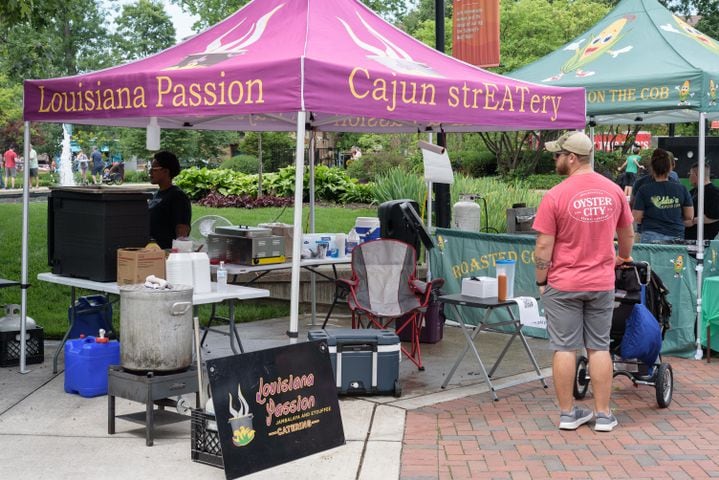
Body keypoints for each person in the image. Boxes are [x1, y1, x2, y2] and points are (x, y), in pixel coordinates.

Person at [533, 131, 634, 432]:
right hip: (601, 282)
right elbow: (627, 233)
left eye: (558, 155)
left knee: (564, 347)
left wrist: (541, 279)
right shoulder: (614, 190)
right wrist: (624, 258)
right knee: (599, 347)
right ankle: (603, 414)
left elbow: (543, 246)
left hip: (563, 282)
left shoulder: (556, 195)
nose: (555, 160)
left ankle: (568, 414)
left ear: (572, 158)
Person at [633, 148, 693, 243]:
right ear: (670, 168)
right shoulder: (682, 189)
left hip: (650, 235)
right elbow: (689, 216)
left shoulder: (643, 189)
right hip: (676, 235)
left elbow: (637, 217)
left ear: (652, 167)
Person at [148, 151, 191, 250]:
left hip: (166, 253)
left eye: (154, 169)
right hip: (152, 251)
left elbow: (182, 231)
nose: (150, 172)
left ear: (166, 171)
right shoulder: (156, 194)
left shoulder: (177, 196)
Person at [685, 163, 719, 241]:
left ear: (698, 175)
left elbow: (715, 215)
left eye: (690, 174)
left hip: (705, 242)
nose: (689, 178)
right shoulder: (692, 192)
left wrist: (693, 221)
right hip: (688, 239)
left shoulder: (715, 193)